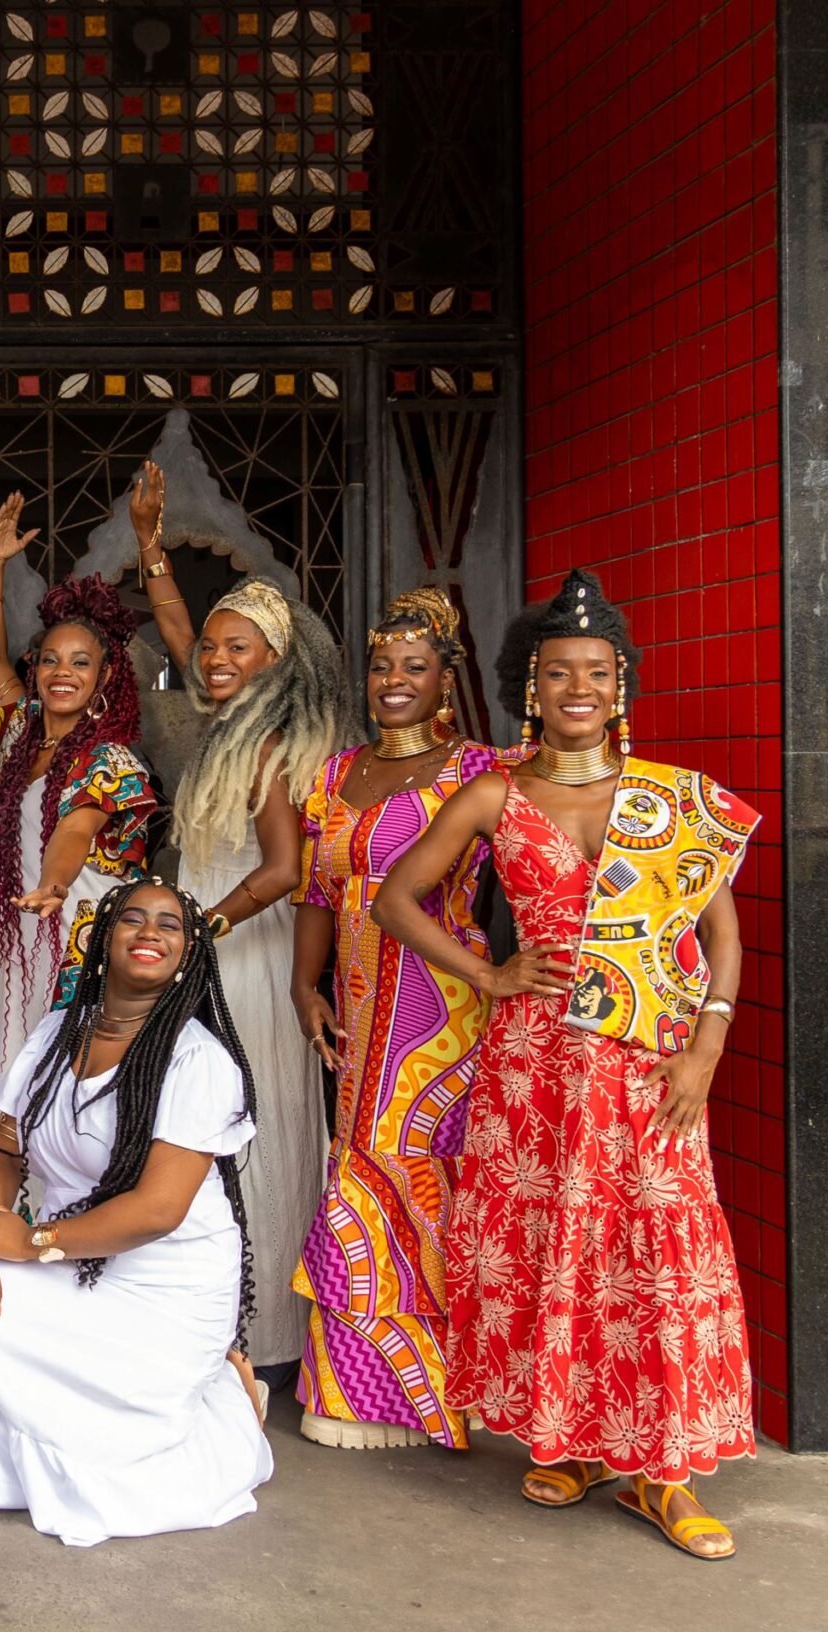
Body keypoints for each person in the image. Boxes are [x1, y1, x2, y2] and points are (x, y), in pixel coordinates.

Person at [374, 570, 757, 1561]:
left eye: (595, 671)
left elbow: (722, 935)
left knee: (657, 1253)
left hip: (652, 1063)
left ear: (620, 684)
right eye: (556, 673)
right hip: (533, 1067)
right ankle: (579, 1444)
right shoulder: (495, 792)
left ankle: (665, 1475)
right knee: (557, 1250)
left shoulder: (670, 797)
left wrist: (706, 1051)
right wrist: (487, 973)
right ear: (529, 688)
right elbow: (394, 898)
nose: (577, 688)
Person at [0, 879, 274, 1543]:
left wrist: (28, 1243)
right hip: (71, 1256)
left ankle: (223, 1412)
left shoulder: (197, 1059)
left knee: (118, 1454)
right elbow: (4, 1152)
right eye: (132, 918)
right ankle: (6, 1478)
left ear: (188, 953)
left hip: (166, 1281)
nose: (149, 932)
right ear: (104, 940)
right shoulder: (55, 1033)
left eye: (169, 925)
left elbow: (158, 1210)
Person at [129, 462, 355, 1370]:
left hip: (247, 958)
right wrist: (149, 543)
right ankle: (228, 1321)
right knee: (211, 1124)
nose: (216, 658)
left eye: (238, 648)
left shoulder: (268, 746)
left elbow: (283, 871)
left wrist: (200, 927)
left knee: (238, 1127)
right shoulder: (235, 724)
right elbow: (180, 633)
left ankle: (254, 1334)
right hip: (219, 944)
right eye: (214, 646)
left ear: (275, 661)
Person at [286, 588, 501, 1451]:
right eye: (381, 666)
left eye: (416, 666)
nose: (395, 680)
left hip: (442, 1005)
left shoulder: (481, 770)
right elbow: (316, 889)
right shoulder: (334, 773)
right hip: (357, 1004)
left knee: (416, 1170)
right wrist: (304, 985)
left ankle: (440, 1394)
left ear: (446, 678)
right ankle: (356, 1386)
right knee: (359, 1161)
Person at [0, 493, 155, 1067]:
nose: (62, 673)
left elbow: (75, 829)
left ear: (104, 676)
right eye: (50, 659)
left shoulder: (111, 761)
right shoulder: (19, 733)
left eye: (80, 662)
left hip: (81, 930)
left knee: (69, 1072)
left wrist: (53, 884)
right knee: (18, 1071)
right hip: (24, 929)